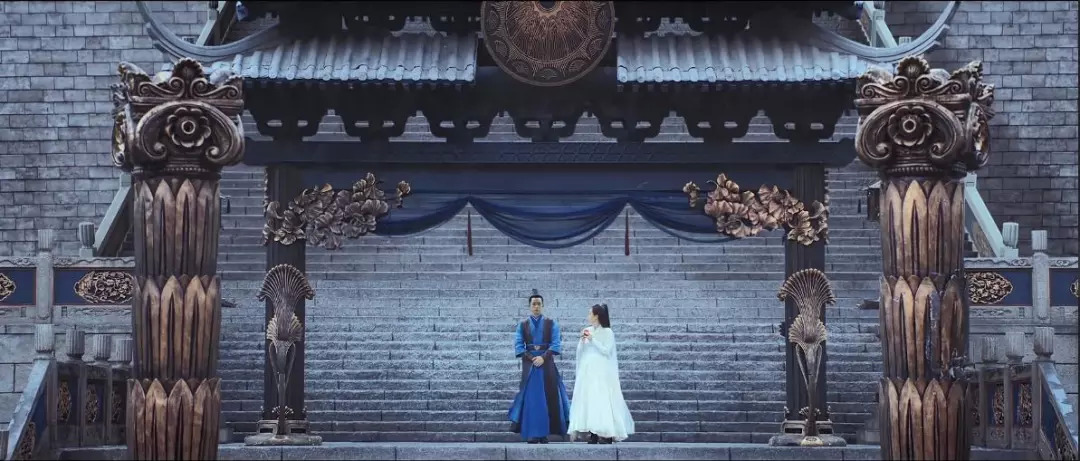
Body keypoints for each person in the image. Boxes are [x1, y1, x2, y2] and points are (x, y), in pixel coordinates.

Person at [508, 289, 571, 444]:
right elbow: (518, 346)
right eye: (534, 304)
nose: (536, 306)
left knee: (548, 398)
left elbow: (556, 344)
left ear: (542, 305)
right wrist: (532, 358)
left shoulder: (551, 323)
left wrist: (543, 357)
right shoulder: (522, 325)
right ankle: (533, 433)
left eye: (539, 304)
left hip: (547, 364)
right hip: (530, 366)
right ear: (530, 306)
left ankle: (544, 434)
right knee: (532, 399)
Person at [567, 303, 635, 444]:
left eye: (590, 313)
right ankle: (593, 432)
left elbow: (606, 351)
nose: (588, 316)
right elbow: (582, 351)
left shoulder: (607, 332)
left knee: (602, 400)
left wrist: (592, 339)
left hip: (601, 372)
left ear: (596, 316)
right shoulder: (588, 330)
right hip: (588, 371)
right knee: (590, 400)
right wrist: (582, 341)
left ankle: (606, 433)